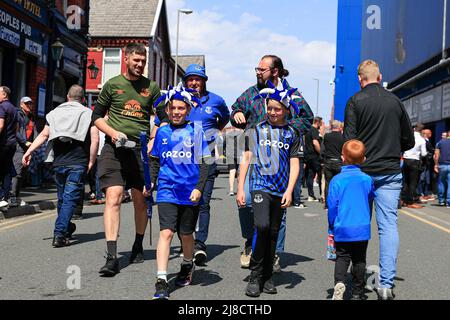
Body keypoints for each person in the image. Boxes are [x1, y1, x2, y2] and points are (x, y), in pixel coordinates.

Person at [230, 54, 313, 269]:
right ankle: (251, 242)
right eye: (256, 69)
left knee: (278, 208)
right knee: (246, 201)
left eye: (262, 69)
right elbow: (235, 109)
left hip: (280, 158)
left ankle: (274, 253)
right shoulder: (251, 93)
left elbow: (307, 118)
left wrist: (288, 131)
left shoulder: (292, 95)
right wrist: (238, 114)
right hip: (254, 154)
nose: (257, 72)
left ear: (275, 72)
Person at [92, 42, 165, 276]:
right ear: (126, 59)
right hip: (114, 148)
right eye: (136, 61)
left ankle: (137, 245)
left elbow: (163, 118)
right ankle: (112, 256)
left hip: (140, 151)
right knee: (112, 197)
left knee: (140, 200)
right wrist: (112, 132)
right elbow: (96, 117)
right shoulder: (112, 85)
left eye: (143, 62)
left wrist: (155, 136)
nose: (140, 65)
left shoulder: (151, 87)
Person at [343, 59, 415, 300]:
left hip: (362, 172)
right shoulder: (395, 101)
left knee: (359, 223)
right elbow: (410, 141)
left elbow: (349, 141)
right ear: (379, 76)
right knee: (388, 227)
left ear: (360, 79)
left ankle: (356, 279)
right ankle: (385, 285)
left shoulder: (355, 101)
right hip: (390, 171)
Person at [237, 81, 300, 297]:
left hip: (280, 189)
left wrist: (290, 190)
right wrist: (240, 188)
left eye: (277, 109)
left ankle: (267, 276)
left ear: (286, 110)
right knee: (261, 226)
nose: (273, 112)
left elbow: (294, 163)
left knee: (273, 232)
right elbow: (246, 158)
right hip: (259, 185)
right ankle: (255, 275)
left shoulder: (292, 133)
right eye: (270, 108)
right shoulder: (257, 129)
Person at [149, 84, 211, 300]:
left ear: (187, 110)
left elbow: (205, 163)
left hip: (190, 191)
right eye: (173, 108)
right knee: (166, 232)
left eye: (181, 108)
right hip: (167, 189)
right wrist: (151, 182)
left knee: (186, 234)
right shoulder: (162, 131)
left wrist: (199, 188)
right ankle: (161, 279)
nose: (176, 112)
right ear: (167, 110)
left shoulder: (196, 131)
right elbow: (155, 160)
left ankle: (187, 264)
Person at [22, 85, 98, 247]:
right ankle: (60, 233)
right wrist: (91, 161)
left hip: (59, 162)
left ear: (67, 97)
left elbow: (43, 135)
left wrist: (28, 152)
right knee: (69, 199)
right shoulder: (89, 114)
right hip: (78, 162)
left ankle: (67, 227)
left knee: (63, 199)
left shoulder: (53, 113)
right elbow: (95, 139)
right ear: (83, 99)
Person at [183, 64, 230, 266]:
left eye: (198, 79)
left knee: (203, 202)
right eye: (190, 79)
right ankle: (186, 240)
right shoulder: (179, 100)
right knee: (184, 202)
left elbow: (225, 118)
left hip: (207, 159)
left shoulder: (216, 100)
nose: (194, 83)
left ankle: (200, 245)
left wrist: (212, 134)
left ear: (204, 81)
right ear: (186, 82)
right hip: (183, 160)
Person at [328, 140, 374, 300]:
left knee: (342, 257)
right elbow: (369, 199)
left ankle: (339, 282)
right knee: (359, 259)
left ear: (342, 157)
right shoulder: (368, 179)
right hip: (362, 226)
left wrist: (331, 224)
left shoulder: (337, 180)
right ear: (363, 159)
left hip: (343, 226)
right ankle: (357, 292)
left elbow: (332, 206)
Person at [9, 97, 37, 207]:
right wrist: (25, 142)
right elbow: (15, 132)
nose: (29, 105)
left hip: (27, 149)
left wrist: (34, 145)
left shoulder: (31, 117)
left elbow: (34, 132)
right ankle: (12, 198)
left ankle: (16, 196)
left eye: (31, 103)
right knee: (17, 173)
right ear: (21, 105)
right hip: (18, 148)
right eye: (27, 103)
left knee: (22, 174)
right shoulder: (17, 115)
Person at [401, 123, 427, 209]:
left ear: (414, 129)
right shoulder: (422, 140)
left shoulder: (409, 137)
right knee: (413, 182)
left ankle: (402, 200)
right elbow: (423, 153)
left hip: (406, 159)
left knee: (405, 181)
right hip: (415, 161)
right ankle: (410, 202)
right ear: (422, 131)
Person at [0, 86, 18, 209]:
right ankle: (4, 198)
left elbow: (0, 125)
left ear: (4, 95)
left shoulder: (2, 107)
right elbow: (16, 128)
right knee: (6, 171)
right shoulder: (14, 108)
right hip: (12, 143)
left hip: (3, 144)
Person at [322, 120, 344, 208]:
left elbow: (324, 148)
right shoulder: (343, 137)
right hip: (339, 161)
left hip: (328, 161)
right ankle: (339, 203)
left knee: (328, 183)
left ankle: (327, 204)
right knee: (340, 183)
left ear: (332, 127)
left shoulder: (327, 136)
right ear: (339, 127)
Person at [304, 117, 322, 202]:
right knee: (320, 174)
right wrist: (321, 153)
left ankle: (310, 195)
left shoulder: (307, 130)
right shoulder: (314, 130)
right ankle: (322, 194)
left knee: (309, 175)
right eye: (320, 123)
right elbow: (315, 143)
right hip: (315, 156)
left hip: (307, 156)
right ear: (317, 122)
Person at [434, 130, 450, 206]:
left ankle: (441, 201)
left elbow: (436, 155)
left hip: (442, 165)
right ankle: (448, 202)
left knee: (441, 183)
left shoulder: (440, 143)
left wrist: (436, 165)